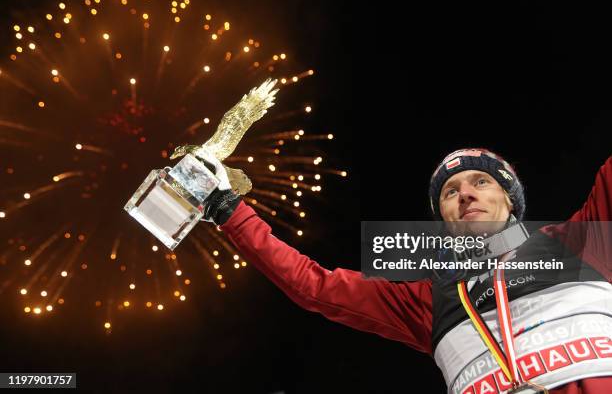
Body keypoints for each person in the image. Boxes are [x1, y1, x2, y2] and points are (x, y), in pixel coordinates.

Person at [198, 148, 612, 394]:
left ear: (509, 197)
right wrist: (229, 211)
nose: (466, 194)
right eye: (451, 192)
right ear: (444, 218)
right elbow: (313, 285)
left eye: (481, 182)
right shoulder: (428, 300)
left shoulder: (579, 241)